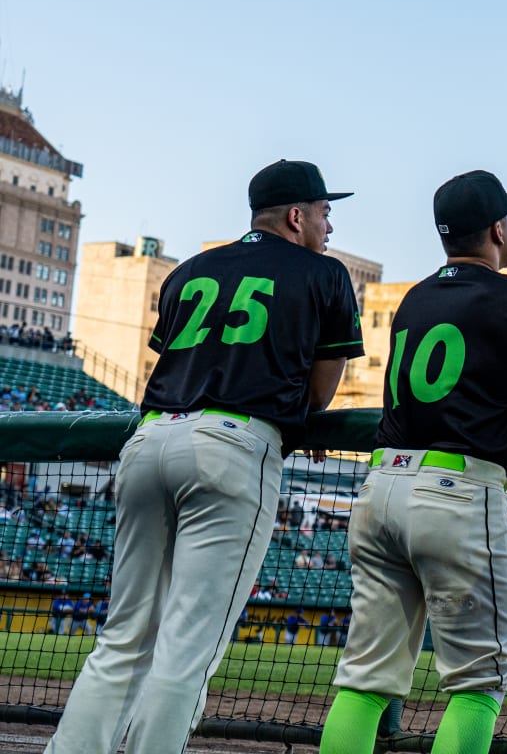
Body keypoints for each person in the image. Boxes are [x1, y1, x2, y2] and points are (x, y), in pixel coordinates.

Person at [45, 159, 362, 754]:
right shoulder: (324, 273)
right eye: (324, 212)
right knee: (187, 648)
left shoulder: (190, 270)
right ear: (296, 217)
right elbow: (319, 394)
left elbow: (174, 355)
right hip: (233, 447)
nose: (329, 224)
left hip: (149, 439)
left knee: (122, 639)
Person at [318, 170, 507, 754]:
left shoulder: (415, 297)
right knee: (479, 684)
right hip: (458, 494)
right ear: (500, 229)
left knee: (365, 681)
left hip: (381, 490)